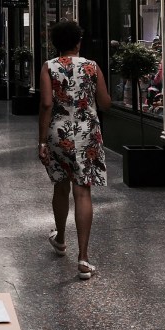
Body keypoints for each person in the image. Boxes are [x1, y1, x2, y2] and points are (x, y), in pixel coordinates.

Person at [38, 20, 111, 281]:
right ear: (78, 42)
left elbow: (46, 104)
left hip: (58, 133)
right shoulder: (92, 66)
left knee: (60, 185)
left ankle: (59, 239)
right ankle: (83, 258)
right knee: (83, 192)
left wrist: (42, 141)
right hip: (87, 132)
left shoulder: (49, 66)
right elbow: (105, 102)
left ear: (55, 44)